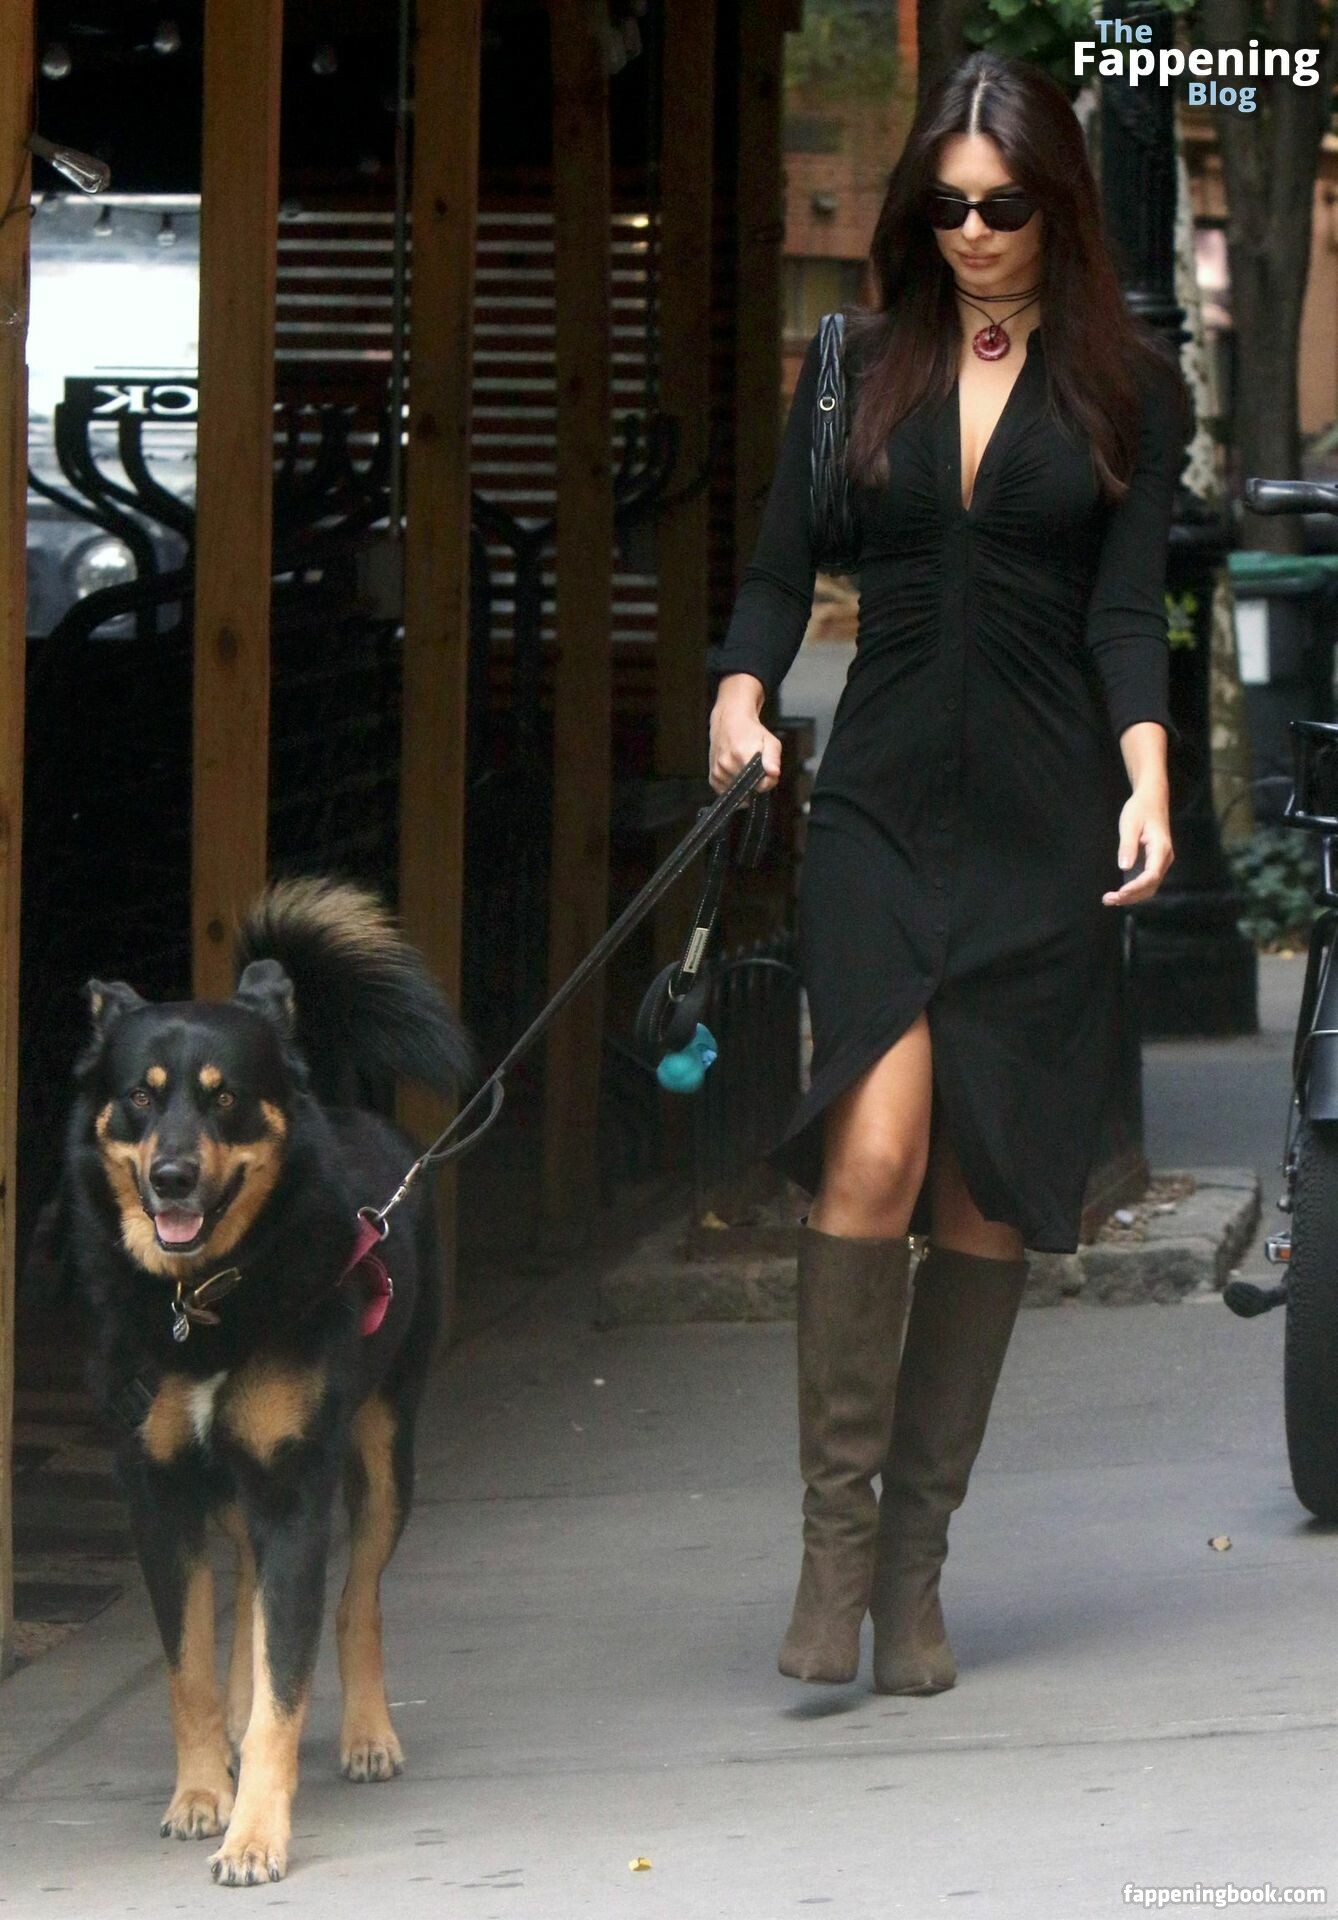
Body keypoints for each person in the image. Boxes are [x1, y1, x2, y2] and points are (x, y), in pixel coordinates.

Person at [707, 50, 1190, 1694]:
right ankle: (830, 1554)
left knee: (983, 1186)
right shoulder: (855, 365)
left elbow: (1124, 614)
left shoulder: (1129, 389)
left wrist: (1147, 780)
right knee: (876, 1150)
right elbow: (777, 572)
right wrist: (737, 695)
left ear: (1058, 207)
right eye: (945, 208)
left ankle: (913, 1571)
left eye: (1001, 208)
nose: (971, 235)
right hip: (880, 811)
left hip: (1046, 824)